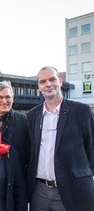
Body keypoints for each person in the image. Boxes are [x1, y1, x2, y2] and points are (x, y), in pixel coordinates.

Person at [26, 66, 94, 211]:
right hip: (39, 191)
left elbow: (91, 149)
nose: (48, 84)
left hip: (72, 189)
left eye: (52, 79)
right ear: (39, 86)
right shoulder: (32, 115)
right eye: (43, 81)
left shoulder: (81, 111)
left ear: (60, 81)